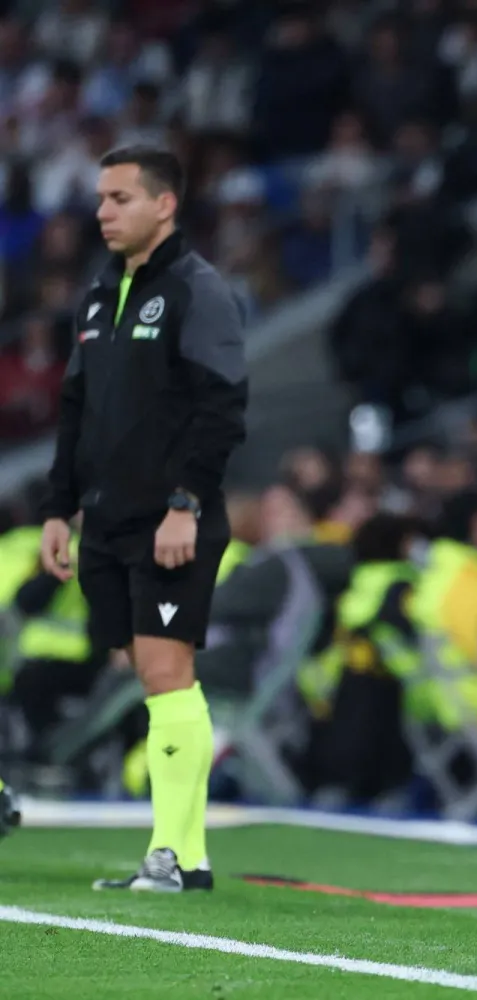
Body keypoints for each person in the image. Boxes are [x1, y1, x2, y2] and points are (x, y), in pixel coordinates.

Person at [37, 145, 248, 892]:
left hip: (171, 520)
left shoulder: (198, 290)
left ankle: (167, 852)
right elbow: (74, 409)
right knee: (148, 672)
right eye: (100, 198)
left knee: (165, 670)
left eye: (120, 197)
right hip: (105, 521)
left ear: (165, 205)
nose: (103, 212)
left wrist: (185, 504)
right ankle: (188, 860)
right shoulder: (99, 293)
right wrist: (58, 507)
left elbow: (222, 407)